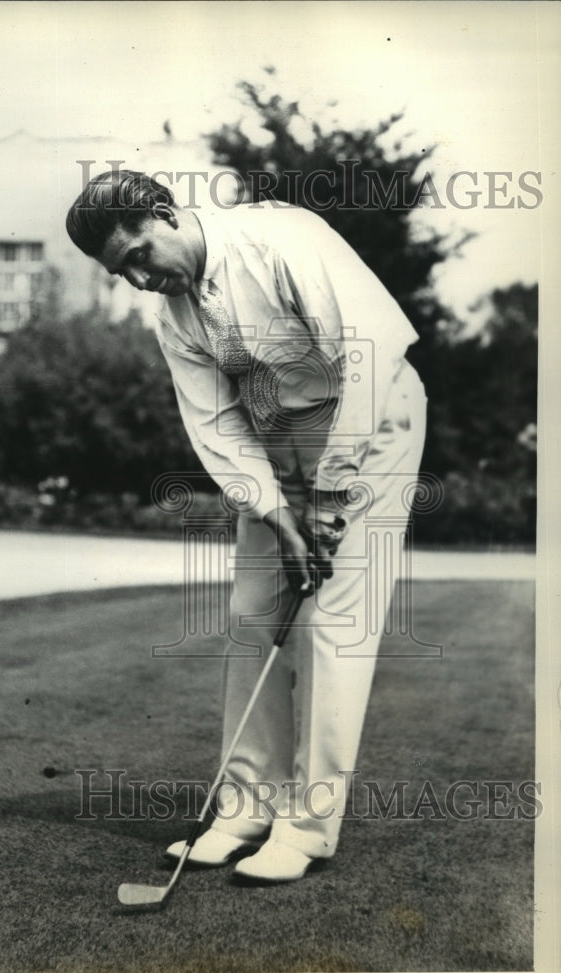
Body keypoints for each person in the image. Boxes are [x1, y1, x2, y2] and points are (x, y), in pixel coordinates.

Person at [66, 170, 427, 883]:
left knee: (331, 623)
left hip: (374, 420)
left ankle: (307, 827)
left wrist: (327, 500)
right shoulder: (174, 315)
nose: (138, 279)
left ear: (166, 215)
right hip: (278, 444)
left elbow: (371, 349)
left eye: (139, 256)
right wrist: (275, 514)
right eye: (121, 273)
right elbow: (218, 426)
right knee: (252, 615)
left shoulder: (278, 238)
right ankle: (243, 809)